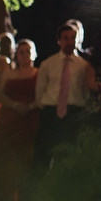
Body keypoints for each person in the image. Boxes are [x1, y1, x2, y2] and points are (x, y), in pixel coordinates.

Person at [33, 24, 90, 177]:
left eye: (72, 38)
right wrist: (46, 108)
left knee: (69, 155)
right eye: (66, 38)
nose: (69, 42)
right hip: (51, 113)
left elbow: (86, 92)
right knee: (43, 154)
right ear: (59, 41)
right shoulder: (48, 64)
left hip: (73, 113)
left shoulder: (83, 65)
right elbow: (39, 91)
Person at [0, 38, 39, 201]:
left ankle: (25, 200)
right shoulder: (9, 73)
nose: (25, 55)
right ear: (16, 54)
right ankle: (3, 200)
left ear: (34, 53)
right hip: (10, 119)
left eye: (28, 51)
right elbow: (0, 95)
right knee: (6, 158)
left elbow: (42, 94)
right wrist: (16, 106)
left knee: (27, 158)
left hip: (30, 119)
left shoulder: (38, 73)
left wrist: (30, 106)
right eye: (21, 51)